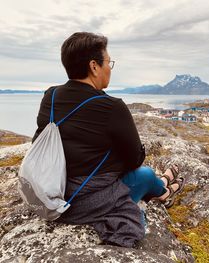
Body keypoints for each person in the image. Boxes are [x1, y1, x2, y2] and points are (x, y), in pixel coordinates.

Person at [32, 32, 185, 248]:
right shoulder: (112, 107)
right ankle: (163, 192)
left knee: (145, 175)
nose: (109, 68)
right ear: (94, 66)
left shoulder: (51, 96)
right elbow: (134, 160)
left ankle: (162, 187)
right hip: (85, 202)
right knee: (145, 174)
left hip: (50, 192)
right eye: (108, 62)